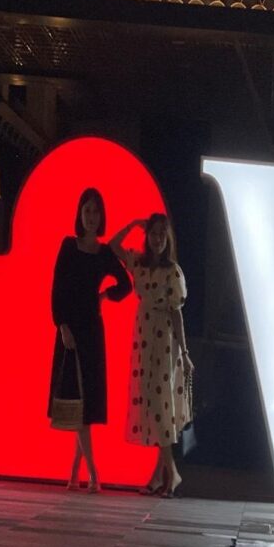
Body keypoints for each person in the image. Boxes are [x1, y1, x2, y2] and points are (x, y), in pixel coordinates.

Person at [49, 187, 132, 492]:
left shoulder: (105, 252)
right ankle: (93, 472)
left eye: (96, 211)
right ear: (80, 214)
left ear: (101, 215)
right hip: (70, 330)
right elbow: (57, 290)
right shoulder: (68, 246)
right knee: (77, 401)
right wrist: (62, 326)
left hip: (93, 332)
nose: (92, 217)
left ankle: (76, 471)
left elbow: (125, 284)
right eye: (87, 211)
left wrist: (105, 295)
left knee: (85, 404)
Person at [110, 212, 193, 497]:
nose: (157, 239)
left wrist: (185, 352)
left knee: (160, 406)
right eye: (154, 233)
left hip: (164, 341)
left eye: (161, 234)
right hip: (143, 338)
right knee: (152, 405)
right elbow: (114, 245)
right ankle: (159, 476)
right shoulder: (139, 263)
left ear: (167, 239)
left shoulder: (173, 271)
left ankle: (172, 473)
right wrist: (134, 224)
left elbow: (177, 314)